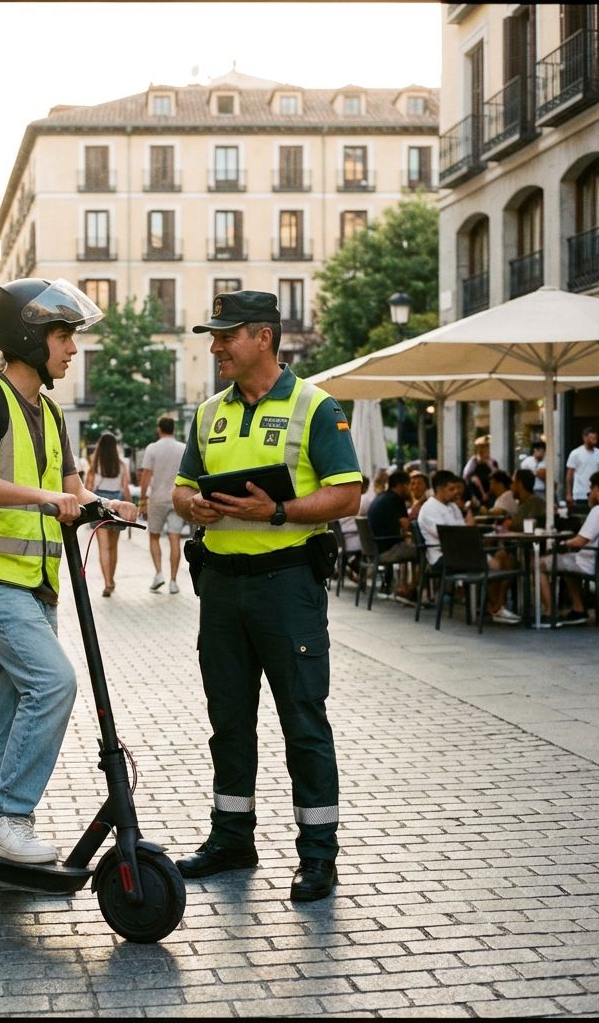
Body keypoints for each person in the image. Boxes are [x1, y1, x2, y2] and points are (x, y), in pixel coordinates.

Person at [170, 289, 362, 902]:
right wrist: (193, 503)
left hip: (288, 587)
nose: (216, 346)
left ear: (263, 337)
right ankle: (231, 838)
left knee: (302, 719)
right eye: (214, 336)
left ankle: (317, 855)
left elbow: (346, 494)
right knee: (228, 721)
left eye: (226, 335)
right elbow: (179, 489)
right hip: (221, 589)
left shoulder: (315, 406)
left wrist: (276, 509)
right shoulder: (208, 414)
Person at [0, 277, 136, 863]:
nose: (72, 349)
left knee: (17, 697)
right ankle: (10, 818)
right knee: (54, 684)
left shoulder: (51, 412)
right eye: (62, 336)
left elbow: (71, 489)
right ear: (29, 338)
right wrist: (41, 498)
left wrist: (106, 504)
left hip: (38, 583)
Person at [417, 469, 519, 625]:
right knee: (496, 564)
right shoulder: (429, 509)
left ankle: (496, 605)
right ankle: (496, 608)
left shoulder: (452, 506)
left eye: (456, 488)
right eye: (451, 489)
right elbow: (448, 536)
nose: (456, 492)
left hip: (463, 551)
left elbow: (463, 529)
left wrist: (468, 527)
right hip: (444, 556)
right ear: (439, 489)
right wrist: (468, 527)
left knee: (508, 558)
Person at [539, 469, 599, 626]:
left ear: (596, 489)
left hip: (590, 562)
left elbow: (579, 542)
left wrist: (563, 543)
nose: (589, 492)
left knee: (538, 563)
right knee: (567, 565)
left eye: (591, 488)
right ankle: (578, 609)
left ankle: (549, 613)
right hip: (598, 561)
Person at [138, 416, 188, 595]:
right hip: (176, 498)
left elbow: (146, 475)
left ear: (159, 429)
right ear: (174, 429)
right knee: (175, 538)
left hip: (157, 499)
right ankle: (174, 581)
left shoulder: (152, 448)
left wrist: (142, 499)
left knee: (154, 537)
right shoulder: (183, 448)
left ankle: (158, 574)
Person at [85, 432, 131, 597]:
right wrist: (130, 506)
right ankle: (112, 579)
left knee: (103, 547)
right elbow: (125, 488)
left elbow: (88, 488)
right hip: (117, 503)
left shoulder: (94, 465)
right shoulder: (121, 464)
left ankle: (107, 583)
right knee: (113, 546)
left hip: (100, 505)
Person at [366, 470, 417, 603]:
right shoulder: (396, 499)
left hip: (376, 549)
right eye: (409, 485)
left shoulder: (381, 497)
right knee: (424, 552)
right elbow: (406, 526)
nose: (411, 488)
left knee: (409, 547)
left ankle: (403, 586)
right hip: (388, 550)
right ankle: (411, 590)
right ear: (401, 485)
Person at [565, 426, 599, 512]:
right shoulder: (575, 453)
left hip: (596, 493)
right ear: (585, 438)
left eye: (596, 438)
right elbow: (569, 475)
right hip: (580, 493)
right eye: (592, 438)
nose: (595, 440)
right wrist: (569, 494)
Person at [462, 435, 498, 504]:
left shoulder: (493, 462)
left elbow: (496, 476)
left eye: (488, 447)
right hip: (477, 495)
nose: (487, 450)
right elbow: (467, 478)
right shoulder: (473, 462)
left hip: (491, 495)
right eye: (484, 447)